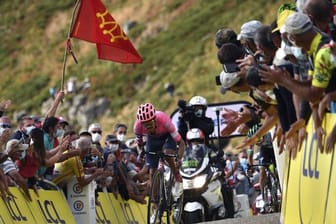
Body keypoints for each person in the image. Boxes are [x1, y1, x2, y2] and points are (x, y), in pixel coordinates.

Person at [259, 12, 335, 152]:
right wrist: (317, 125)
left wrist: (283, 81)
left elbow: (314, 94)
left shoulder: (323, 53)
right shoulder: (316, 47)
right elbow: (311, 85)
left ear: (293, 38)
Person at [133, 103, 186, 200]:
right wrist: (141, 154)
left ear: (154, 119)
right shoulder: (137, 126)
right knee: (152, 171)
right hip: (152, 139)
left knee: (167, 153)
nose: (148, 127)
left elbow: (181, 142)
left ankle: (176, 175)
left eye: (149, 124)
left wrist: (179, 158)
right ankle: (156, 204)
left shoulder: (163, 119)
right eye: (145, 125)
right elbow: (139, 144)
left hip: (167, 136)